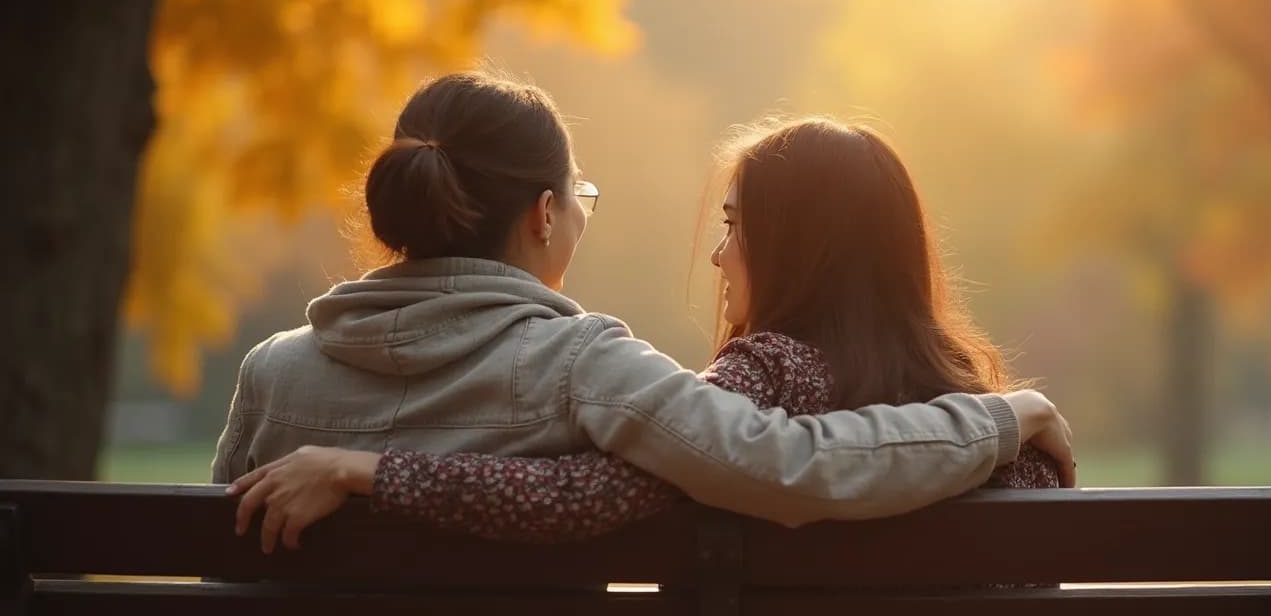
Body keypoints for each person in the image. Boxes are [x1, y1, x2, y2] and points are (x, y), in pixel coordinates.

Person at [214, 72, 1074, 553]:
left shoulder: (271, 371)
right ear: (544, 215)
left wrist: (364, 469)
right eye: (581, 196)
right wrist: (999, 417)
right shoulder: (589, 368)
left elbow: (219, 552)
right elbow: (781, 465)